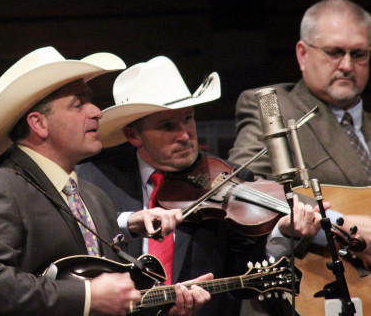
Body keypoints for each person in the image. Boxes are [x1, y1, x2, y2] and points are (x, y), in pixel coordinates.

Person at [0, 46, 212, 316]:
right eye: (78, 104)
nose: (97, 112)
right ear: (38, 124)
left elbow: (108, 303)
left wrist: (164, 306)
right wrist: (87, 295)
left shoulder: (93, 197)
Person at [77, 56, 322, 316]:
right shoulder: (93, 180)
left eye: (188, 119)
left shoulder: (231, 179)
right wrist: (130, 221)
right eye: (168, 125)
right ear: (134, 135)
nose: (185, 135)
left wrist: (282, 233)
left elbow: (248, 279)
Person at [228, 0, 371, 268]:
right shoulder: (274, 108)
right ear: (303, 54)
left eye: (359, 54)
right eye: (334, 52)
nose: (347, 66)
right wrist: (342, 226)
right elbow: (242, 188)